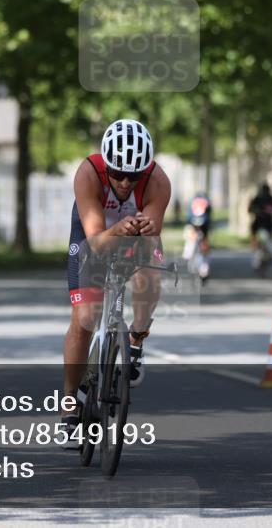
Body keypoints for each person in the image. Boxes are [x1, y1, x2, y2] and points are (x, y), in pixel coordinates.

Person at [62, 119, 171, 446]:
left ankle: (136, 343)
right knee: (85, 319)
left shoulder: (158, 181)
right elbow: (95, 241)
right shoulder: (88, 174)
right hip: (94, 234)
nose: (125, 182)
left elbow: (152, 235)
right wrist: (117, 229)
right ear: (106, 166)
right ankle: (69, 406)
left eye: (133, 176)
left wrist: (144, 227)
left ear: (146, 171)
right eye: (118, 174)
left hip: (134, 236)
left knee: (150, 274)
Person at [184, 191, 212, 280]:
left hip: (193, 222)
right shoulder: (206, 202)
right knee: (203, 244)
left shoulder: (193, 202)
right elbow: (209, 215)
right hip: (204, 224)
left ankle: (190, 258)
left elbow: (188, 217)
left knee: (192, 242)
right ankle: (203, 267)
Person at [249, 183, 272, 253]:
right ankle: (256, 244)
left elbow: (250, 209)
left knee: (253, 230)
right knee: (255, 230)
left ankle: (254, 244)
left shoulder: (258, 198)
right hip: (265, 221)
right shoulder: (270, 198)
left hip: (261, 221)